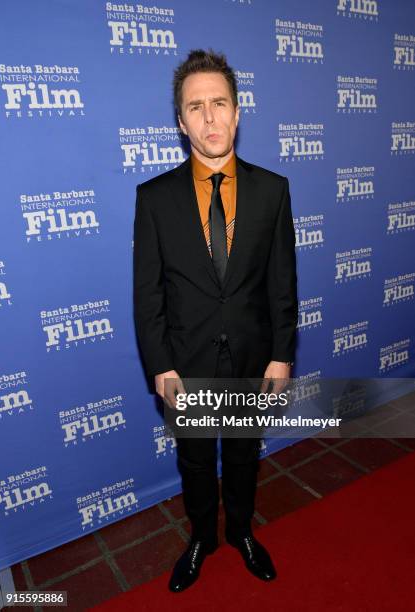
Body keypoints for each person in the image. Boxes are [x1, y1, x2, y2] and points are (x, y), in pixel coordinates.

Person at [133, 49, 298, 593]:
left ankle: (243, 533)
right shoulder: (154, 199)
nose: (210, 118)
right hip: (189, 361)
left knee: (246, 456)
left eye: (219, 103)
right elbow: (148, 293)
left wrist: (281, 354)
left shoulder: (273, 191)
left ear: (238, 110)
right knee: (197, 463)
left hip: (252, 357)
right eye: (196, 107)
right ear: (181, 122)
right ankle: (202, 537)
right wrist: (160, 365)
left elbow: (282, 282)